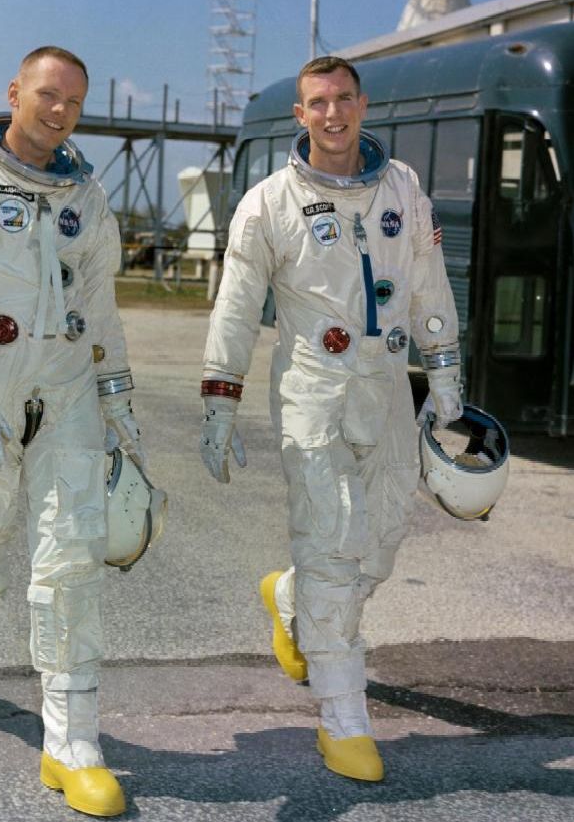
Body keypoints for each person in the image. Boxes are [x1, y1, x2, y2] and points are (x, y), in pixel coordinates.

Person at [199, 56, 462, 782]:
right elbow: (236, 304)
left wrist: (445, 376)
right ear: (301, 114)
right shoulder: (269, 202)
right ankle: (344, 717)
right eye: (318, 102)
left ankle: (289, 598)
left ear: (363, 103)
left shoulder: (402, 188)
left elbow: (429, 283)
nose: (333, 114)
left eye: (344, 99)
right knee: (331, 539)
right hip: (314, 389)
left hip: (385, 383)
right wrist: (222, 398)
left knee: (379, 542)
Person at [0, 46, 145, 817]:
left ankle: (72, 743)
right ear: (16, 91)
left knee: (70, 562)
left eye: (73, 102)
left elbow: (100, 305)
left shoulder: (87, 194)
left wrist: (118, 405)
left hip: (67, 387)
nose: (59, 111)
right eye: (47, 94)